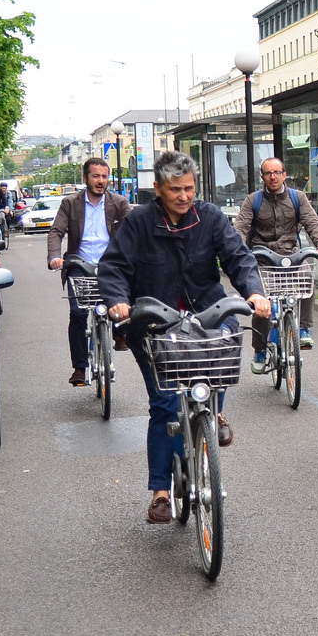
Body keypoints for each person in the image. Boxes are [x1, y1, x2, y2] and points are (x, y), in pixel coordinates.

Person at [98, 149, 268, 524]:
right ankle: (161, 491)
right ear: (158, 189)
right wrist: (118, 303)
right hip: (154, 324)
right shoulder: (139, 222)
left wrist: (254, 291)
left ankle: (215, 412)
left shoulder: (209, 218)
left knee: (225, 344)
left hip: (206, 312)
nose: (184, 196)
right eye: (175, 189)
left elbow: (238, 257)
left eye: (189, 189)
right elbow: (113, 267)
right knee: (164, 405)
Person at [235, 155, 318, 363]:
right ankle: (259, 350)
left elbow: (312, 222)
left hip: (291, 256)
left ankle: (304, 329)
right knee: (261, 301)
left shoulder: (298, 198)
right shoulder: (253, 200)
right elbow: (240, 229)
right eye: (268, 173)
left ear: (284, 175)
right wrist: (237, 252)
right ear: (262, 176)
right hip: (262, 258)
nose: (273, 177)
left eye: (277, 172)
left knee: (307, 277)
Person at [46, 157, 131, 386]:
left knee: (120, 305)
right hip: (79, 264)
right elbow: (56, 232)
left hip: (110, 265)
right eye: (96, 176)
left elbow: (134, 232)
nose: (101, 181)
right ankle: (80, 368)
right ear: (85, 178)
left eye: (105, 176)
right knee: (78, 313)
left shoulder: (120, 203)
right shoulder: (70, 203)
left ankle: (118, 331)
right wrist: (55, 256)